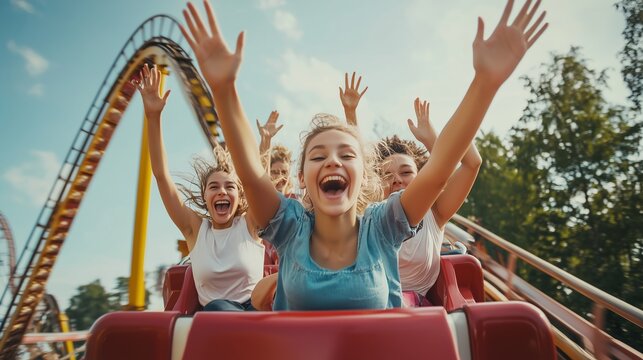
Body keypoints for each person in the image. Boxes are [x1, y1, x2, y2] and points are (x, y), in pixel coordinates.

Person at [179, 0, 548, 310]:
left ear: (364, 175)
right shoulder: (289, 227)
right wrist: (224, 91)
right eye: (318, 156)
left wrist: (484, 84)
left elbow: (437, 172)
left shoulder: (382, 225)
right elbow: (248, 169)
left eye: (346, 155)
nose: (333, 162)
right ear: (304, 177)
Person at [134, 63, 264, 311]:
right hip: (215, 317)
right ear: (205, 196)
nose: (222, 192)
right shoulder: (195, 229)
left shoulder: (249, 224)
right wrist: (153, 117)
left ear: (239, 195)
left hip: (253, 312)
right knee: (217, 308)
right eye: (214, 187)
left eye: (230, 187)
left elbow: (255, 179)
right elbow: (161, 176)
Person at [377, 98, 481, 302]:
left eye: (406, 172)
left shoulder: (436, 214)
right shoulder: (370, 214)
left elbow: (472, 163)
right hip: (372, 306)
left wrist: (434, 140)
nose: (397, 179)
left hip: (417, 314)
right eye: (387, 175)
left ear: (422, 176)